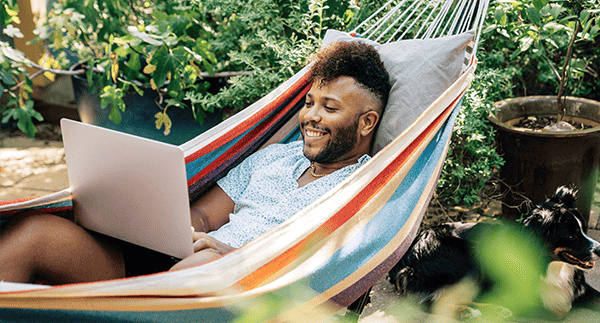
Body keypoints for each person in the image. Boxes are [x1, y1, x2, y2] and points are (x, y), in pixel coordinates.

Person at [0, 40, 391, 284]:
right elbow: (203, 218)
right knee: (34, 233)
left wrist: (227, 254)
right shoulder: (273, 157)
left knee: (190, 275)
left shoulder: (365, 187)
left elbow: (319, 265)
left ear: (366, 122)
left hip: (238, 288)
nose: (311, 117)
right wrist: (162, 225)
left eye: (330, 107)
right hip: (177, 265)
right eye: (309, 103)